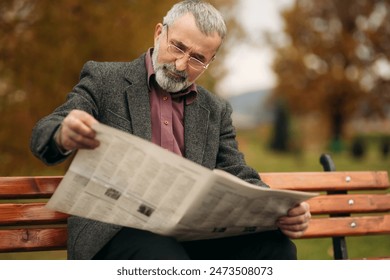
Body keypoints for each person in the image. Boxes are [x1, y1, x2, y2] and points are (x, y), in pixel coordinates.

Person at [30, 0, 310, 260]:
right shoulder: (106, 80)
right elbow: (46, 132)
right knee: (163, 256)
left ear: (210, 63)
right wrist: (63, 134)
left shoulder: (216, 109)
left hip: (191, 234)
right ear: (159, 33)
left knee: (276, 248)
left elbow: (236, 170)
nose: (180, 65)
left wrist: (280, 209)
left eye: (197, 58)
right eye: (177, 47)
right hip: (116, 229)